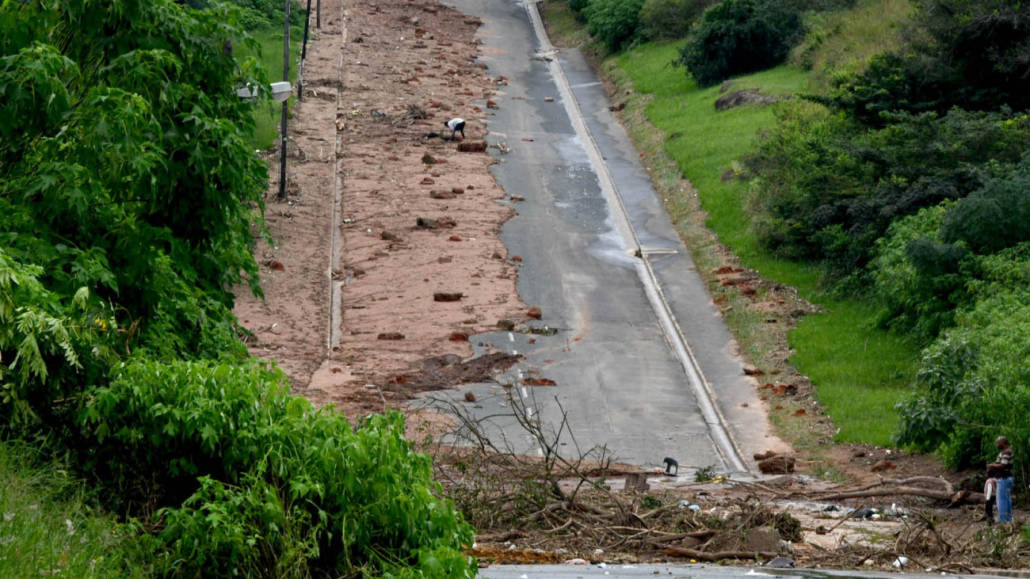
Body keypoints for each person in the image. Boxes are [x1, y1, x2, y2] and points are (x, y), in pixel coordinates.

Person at [987, 436, 1015, 523]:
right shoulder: (1006, 451)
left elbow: (1003, 465)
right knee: (1007, 499)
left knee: (1001, 500)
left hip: (1004, 479)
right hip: (1007, 478)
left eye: (998, 443)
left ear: (1003, 442)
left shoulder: (1006, 452)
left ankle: (1003, 520)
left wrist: (992, 465)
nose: (997, 444)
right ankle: (1008, 519)